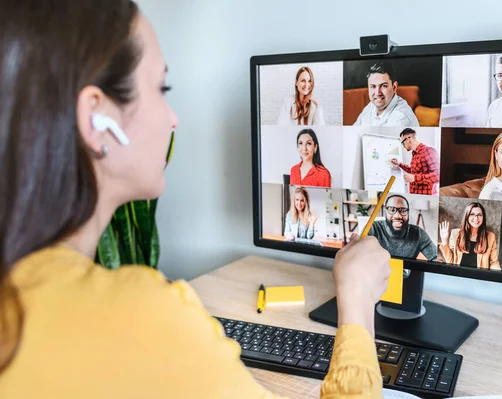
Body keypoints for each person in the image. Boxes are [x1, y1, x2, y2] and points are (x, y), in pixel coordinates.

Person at [0, 2, 393, 398]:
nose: (174, 119)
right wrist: (357, 302)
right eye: (160, 89)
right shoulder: (143, 318)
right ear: (95, 118)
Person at [367, 195, 437, 261]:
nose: (397, 216)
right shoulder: (373, 229)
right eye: (392, 210)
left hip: (405, 273)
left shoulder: (418, 233)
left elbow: (435, 258)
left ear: (408, 212)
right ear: (386, 212)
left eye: (403, 210)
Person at [353, 62, 420, 127]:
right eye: (373, 86)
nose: (377, 93)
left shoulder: (401, 117)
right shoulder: (371, 106)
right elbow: (353, 132)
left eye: (383, 86)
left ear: (394, 87)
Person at [438, 202, 501, 270]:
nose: (476, 218)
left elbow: (494, 262)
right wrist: (444, 241)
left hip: (479, 277)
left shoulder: (491, 237)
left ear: (483, 217)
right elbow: (451, 262)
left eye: (479, 215)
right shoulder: (455, 234)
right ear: (467, 216)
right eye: (472, 214)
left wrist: (498, 275)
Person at [391, 128, 440, 195]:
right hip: (415, 196)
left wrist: (414, 178)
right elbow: (413, 171)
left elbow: (438, 175)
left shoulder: (428, 151)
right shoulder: (415, 154)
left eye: (402, 143)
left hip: (426, 198)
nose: (403, 146)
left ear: (408, 139)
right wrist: (399, 164)